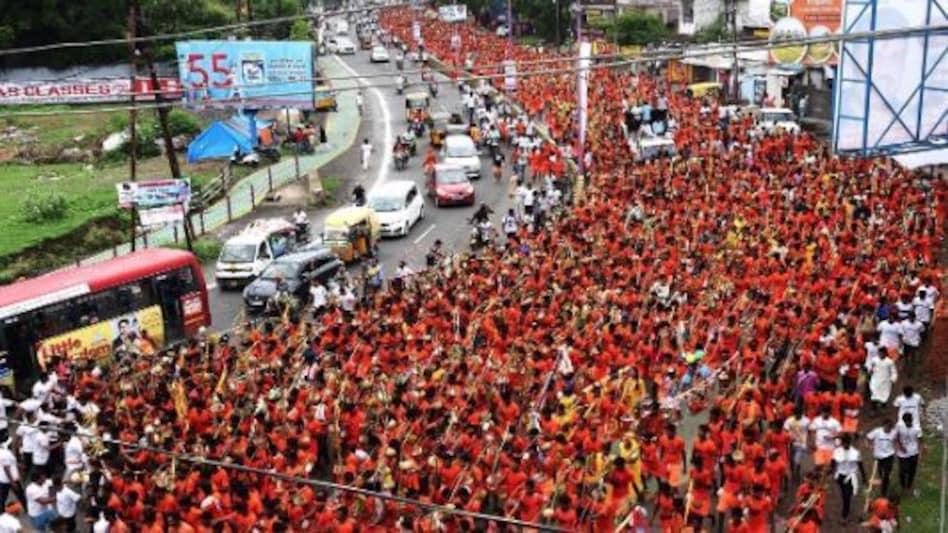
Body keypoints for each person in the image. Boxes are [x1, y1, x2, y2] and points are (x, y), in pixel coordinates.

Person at [831, 433, 866, 524]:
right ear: (842, 443)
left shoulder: (855, 452)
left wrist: (864, 477)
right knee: (844, 494)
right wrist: (830, 473)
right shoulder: (837, 452)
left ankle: (844, 515)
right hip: (840, 476)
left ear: (849, 443)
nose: (845, 445)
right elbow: (833, 464)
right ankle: (846, 508)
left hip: (851, 476)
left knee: (847, 495)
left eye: (847, 443)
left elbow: (860, 465)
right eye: (844, 443)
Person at [866, 419, 897, 496]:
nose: (888, 429)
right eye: (887, 427)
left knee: (886, 474)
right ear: (883, 426)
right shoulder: (877, 432)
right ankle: (884, 482)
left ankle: (884, 492)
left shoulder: (894, 433)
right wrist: (868, 445)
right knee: (880, 472)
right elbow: (868, 438)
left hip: (889, 456)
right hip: (879, 457)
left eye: (890, 427)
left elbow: (897, 441)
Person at [895, 412, 922, 495]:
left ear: (912, 420)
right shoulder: (899, 427)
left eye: (909, 421)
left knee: (912, 471)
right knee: (902, 471)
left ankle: (909, 486)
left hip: (914, 452)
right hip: (902, 454)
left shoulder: (917, 428)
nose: (907, 423)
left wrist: (921, 450)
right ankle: (903, 486)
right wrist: (900, 446)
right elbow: (897, 437)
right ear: (903, 421)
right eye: (906, 422)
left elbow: (920, 439)